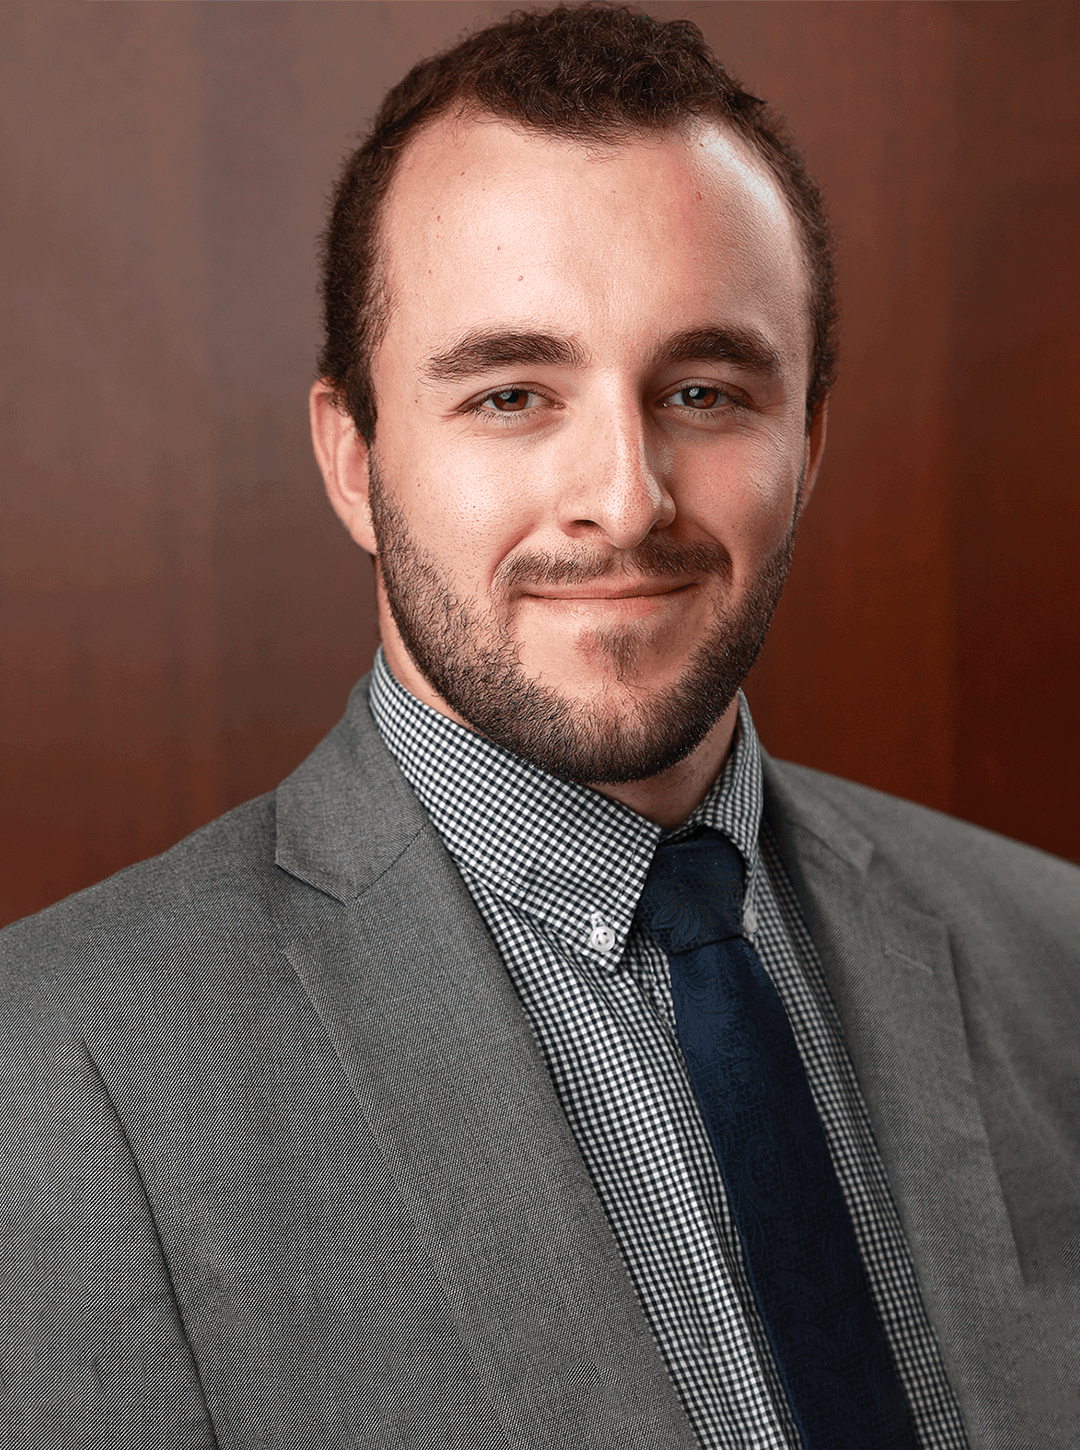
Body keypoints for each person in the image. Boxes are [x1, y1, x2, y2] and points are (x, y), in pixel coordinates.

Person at [1, 6, 1076, 1446]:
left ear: (806, 444)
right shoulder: (53, 1077)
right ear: (352, 454)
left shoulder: (1052, 957)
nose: (626, 498)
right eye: (513, 394)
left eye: (704, 390)